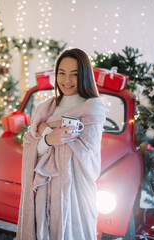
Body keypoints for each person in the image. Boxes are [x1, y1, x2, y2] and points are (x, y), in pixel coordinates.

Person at [16, 48, 106, 240]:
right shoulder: (46, 108)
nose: (67, 80)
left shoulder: (93, 107)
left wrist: (43, 130)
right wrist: (48, 139)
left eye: (74, 75)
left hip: (74, 195)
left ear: (84, 76)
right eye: (62, 73)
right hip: (44, 191)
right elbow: (31, 146)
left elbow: (88, 154)